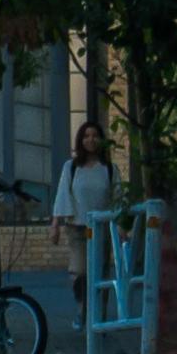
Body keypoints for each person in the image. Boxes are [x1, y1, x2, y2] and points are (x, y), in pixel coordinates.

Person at [49, 120, 123, 297]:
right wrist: (55, 225)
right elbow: (62, 195)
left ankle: (100, 319)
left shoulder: (110, 169)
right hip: (77, 227)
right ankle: (82, 311)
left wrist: (121, 226)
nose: (91, 140)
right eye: (86, 136)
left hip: (102, 227)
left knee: (100, 274)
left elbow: (118, 199)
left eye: (95, 136)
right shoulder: (72, 167)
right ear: (80, 140)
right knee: (80, 271)